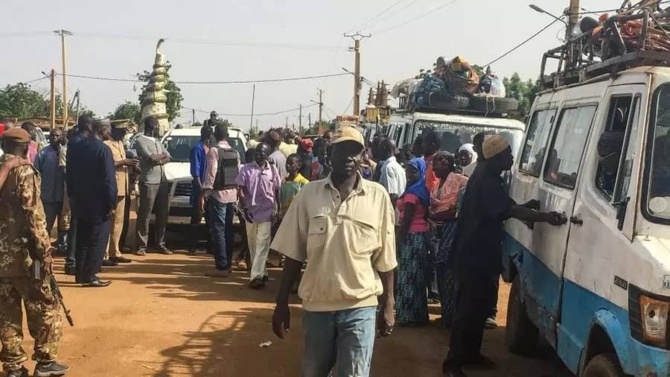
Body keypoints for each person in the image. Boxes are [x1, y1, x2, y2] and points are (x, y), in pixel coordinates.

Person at [271, 125, 397, 377]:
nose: (349, 158)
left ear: (363, 156)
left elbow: (386, 257)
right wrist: (281, 302)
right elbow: (293, 255)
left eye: (355, 152)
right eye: (342, 151)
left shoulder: (378, 196)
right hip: (318, 307)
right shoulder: (309, 194)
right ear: (330, 154)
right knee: (313, 372)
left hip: (360, 306)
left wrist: (389, 303)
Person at [442, 135, 566, 377]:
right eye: (507, 154)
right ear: (494, 156)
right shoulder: (486, 181)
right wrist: (547, 217)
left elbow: (504, 207)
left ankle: (470, 354)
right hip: (472, 257)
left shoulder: (488, 178)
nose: (511, 158)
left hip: (481, 255)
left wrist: (528, 207)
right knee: (467, 312)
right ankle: (452, 363)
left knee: (479, 309)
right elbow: (507, 210)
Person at [0, 128, 70, 377]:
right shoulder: (25, 172)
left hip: (2, 259)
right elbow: (34, 216)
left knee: (7, 314)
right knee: (45, 308)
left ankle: (13, 367)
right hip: (26, 258)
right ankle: (46, 361)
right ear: (28, 146)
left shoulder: (2, 169)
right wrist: (45, 251)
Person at [67, 120, 117, 288]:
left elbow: (70, 173)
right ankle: (91, 275)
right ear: (102, 130)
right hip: (99, 201)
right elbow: (109, 179)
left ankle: (80, 274)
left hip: (80, 199)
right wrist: (112, 202)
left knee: (82, 238)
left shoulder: (78, 147)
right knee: (98, 239)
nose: (109, 132)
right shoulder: (103, 149)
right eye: (108, 129)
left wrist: (72, 195)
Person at [428, 152, 468, 327]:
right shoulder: (437, 185)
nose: (434, 168)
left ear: (448, 164)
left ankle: (452, 317)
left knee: (451, 274)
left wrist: (438, 214)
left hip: (453, 232)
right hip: (438, 232)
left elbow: (459, 211)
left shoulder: (461, 182)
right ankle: (446, 313)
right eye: (433, 165)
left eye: (438, 164)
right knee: (441, 274)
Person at [235, 143, 281, 289]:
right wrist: (245, 207)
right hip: (250, 212)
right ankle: (262, 271)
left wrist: (277, 208)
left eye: (262, 153)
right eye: (257, 152)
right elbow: (240, 190)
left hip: (267, 212)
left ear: (267, 155)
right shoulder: (246, 169)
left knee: (263, 244)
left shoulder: (273, 170)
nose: (259, 155)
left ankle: (256, 277)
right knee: (253, 244)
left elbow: (277, 189)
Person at [199, 124, 239, 277]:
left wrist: (204, 193)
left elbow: (211, 174)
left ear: (215, 135)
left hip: (218, 195)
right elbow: (239, 173)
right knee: (228, 230)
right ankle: (228, 264)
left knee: (218, 231)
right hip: (232, 195)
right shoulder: (234, 152)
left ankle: (221, 267)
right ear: (227, 135)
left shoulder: (214, 151)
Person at [395, 157, 431, 326]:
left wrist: (398, 241)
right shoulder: (422, 189)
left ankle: (406, 315)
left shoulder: (412, 193)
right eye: (408, 170)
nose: (409, 174)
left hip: (411, 235)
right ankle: (418, 315)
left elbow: (407, 220)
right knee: (417, 276)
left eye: (413, 171)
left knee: (407, 276)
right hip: (421, 235)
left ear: (421, 171)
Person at [135, 116, 171, 256]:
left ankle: (161, 244)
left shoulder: (157, 141)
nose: (158, 128)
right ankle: (142, 245)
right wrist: (160, 157)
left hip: (162, 181)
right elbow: (152, 158)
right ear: (151, 127)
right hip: (149, 181)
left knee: (163, 214)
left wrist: (159, 158)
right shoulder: (140, 141)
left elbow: (168, 157)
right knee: (145, 214)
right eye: (156, 126)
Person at [103, 123, 136, 265]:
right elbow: (107, 163)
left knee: (119, 221)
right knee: (108, 220)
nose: (123, 134)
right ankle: (103, 254)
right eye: (121, 131)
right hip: (112, 187)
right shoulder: (106, 145)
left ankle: (115, 251)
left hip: (122, 187)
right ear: (113, 131)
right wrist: (124, 161)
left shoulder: (120, 143)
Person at [34, 128, 66, 241]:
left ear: (62, 137)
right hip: (48, 197)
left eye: (57, 136)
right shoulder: (43, 153)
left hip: (64, 197)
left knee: (64, 226)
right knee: (46, 226)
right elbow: (36, 175)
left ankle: (62, 246)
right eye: (52, 136)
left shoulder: (66, 152)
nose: (54, 138)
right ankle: (44, 248)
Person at [189, 125, 213, 254]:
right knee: (196, 219)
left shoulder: (211, 149)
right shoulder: (197, 149)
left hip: (210, 190)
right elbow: (196, 173)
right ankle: (192, 246)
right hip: (200, 190)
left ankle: (210, 247)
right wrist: (201, 192)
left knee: (210, 220)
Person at [278, 154, 309, 221]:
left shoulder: (303, 182)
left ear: (299, 165)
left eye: (291, 163)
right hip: (284, 217)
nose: (288, 165)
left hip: (298, 218)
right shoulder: (283, 182)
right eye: (287, 163)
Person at [378, 137, 406, 205]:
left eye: (380, 148)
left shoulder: (389, 168)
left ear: (384, 148)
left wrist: (390, 213)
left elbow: (393, 195)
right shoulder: (398, 167)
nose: (378, 151)